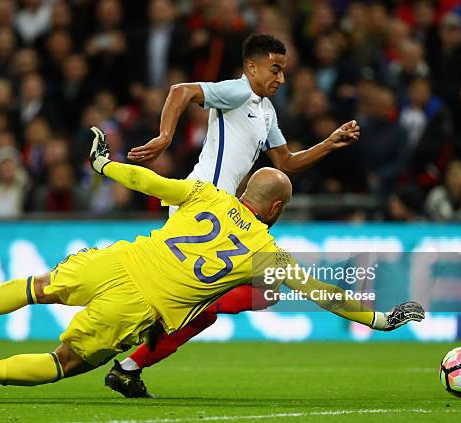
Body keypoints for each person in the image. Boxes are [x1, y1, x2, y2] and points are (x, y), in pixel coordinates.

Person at [0, 127, 424, 402]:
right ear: (275, 210)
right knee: (63, 363)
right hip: (138, 305)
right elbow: (322, 292)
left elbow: (151, 184)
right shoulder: (265, 252)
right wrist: (379, 319)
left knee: (37, 286)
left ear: (245, 189)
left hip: (121, 258)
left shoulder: (206, 193)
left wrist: (103, 166)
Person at [110, 33, 361, 397]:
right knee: (256, 291)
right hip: (200, 206)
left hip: (224, 214)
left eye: (284, 71)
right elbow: (180, 91)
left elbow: (285, 163)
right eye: (275, 70)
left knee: (254, 295)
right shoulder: (238, 91)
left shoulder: (266, 111)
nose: (281, 79)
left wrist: (329, 143)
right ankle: (162, 315)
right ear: (252, 66)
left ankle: (133, 362)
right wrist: (165, 137)